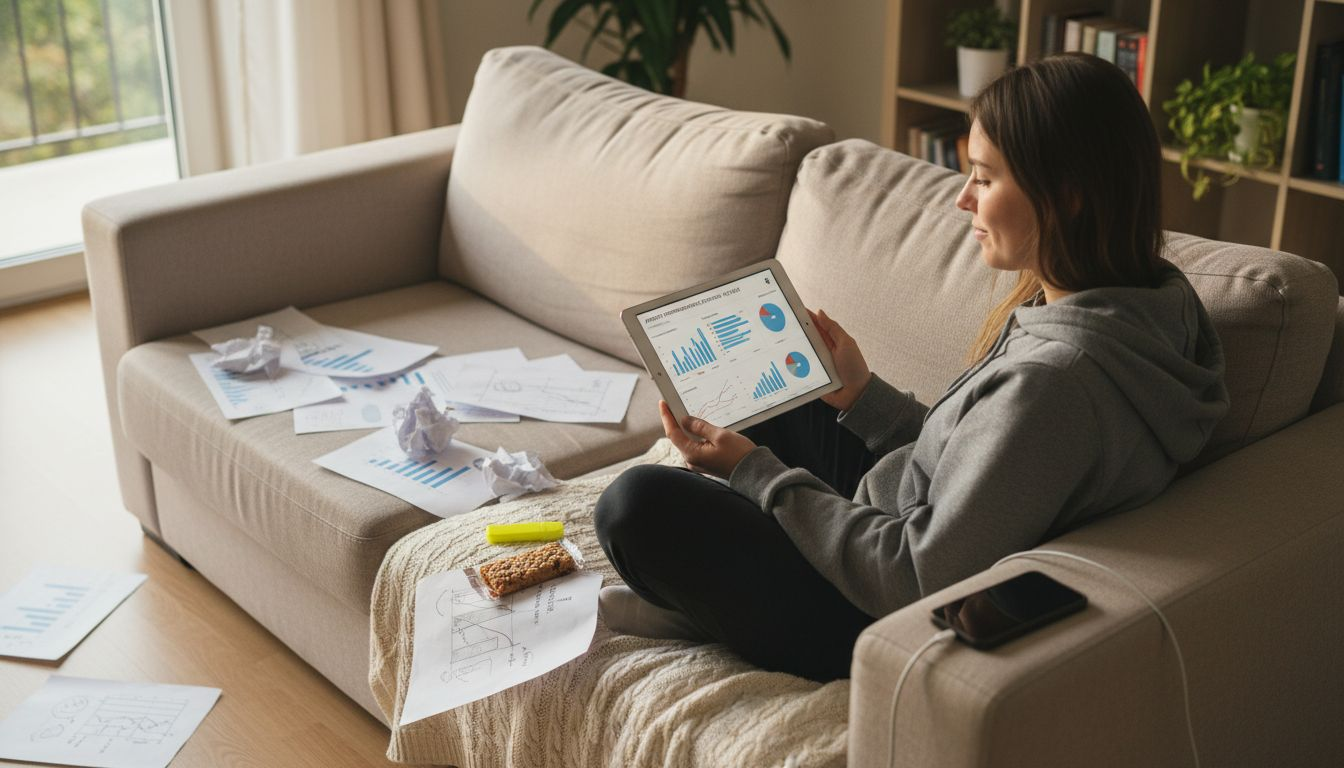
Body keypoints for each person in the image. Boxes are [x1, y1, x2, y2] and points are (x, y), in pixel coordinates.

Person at [593, 53, 1230, 683]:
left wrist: (753, 473)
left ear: (1066, 198)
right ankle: (720, 586)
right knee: (790, 386)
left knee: (633, 506)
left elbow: (916, 576)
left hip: (872, 610)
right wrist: (861, 395)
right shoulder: (1146, 304)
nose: (962, 199)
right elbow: (974, 464)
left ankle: (711, 609)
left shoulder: (1056, 384)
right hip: (897, 521)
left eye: (984, 178)